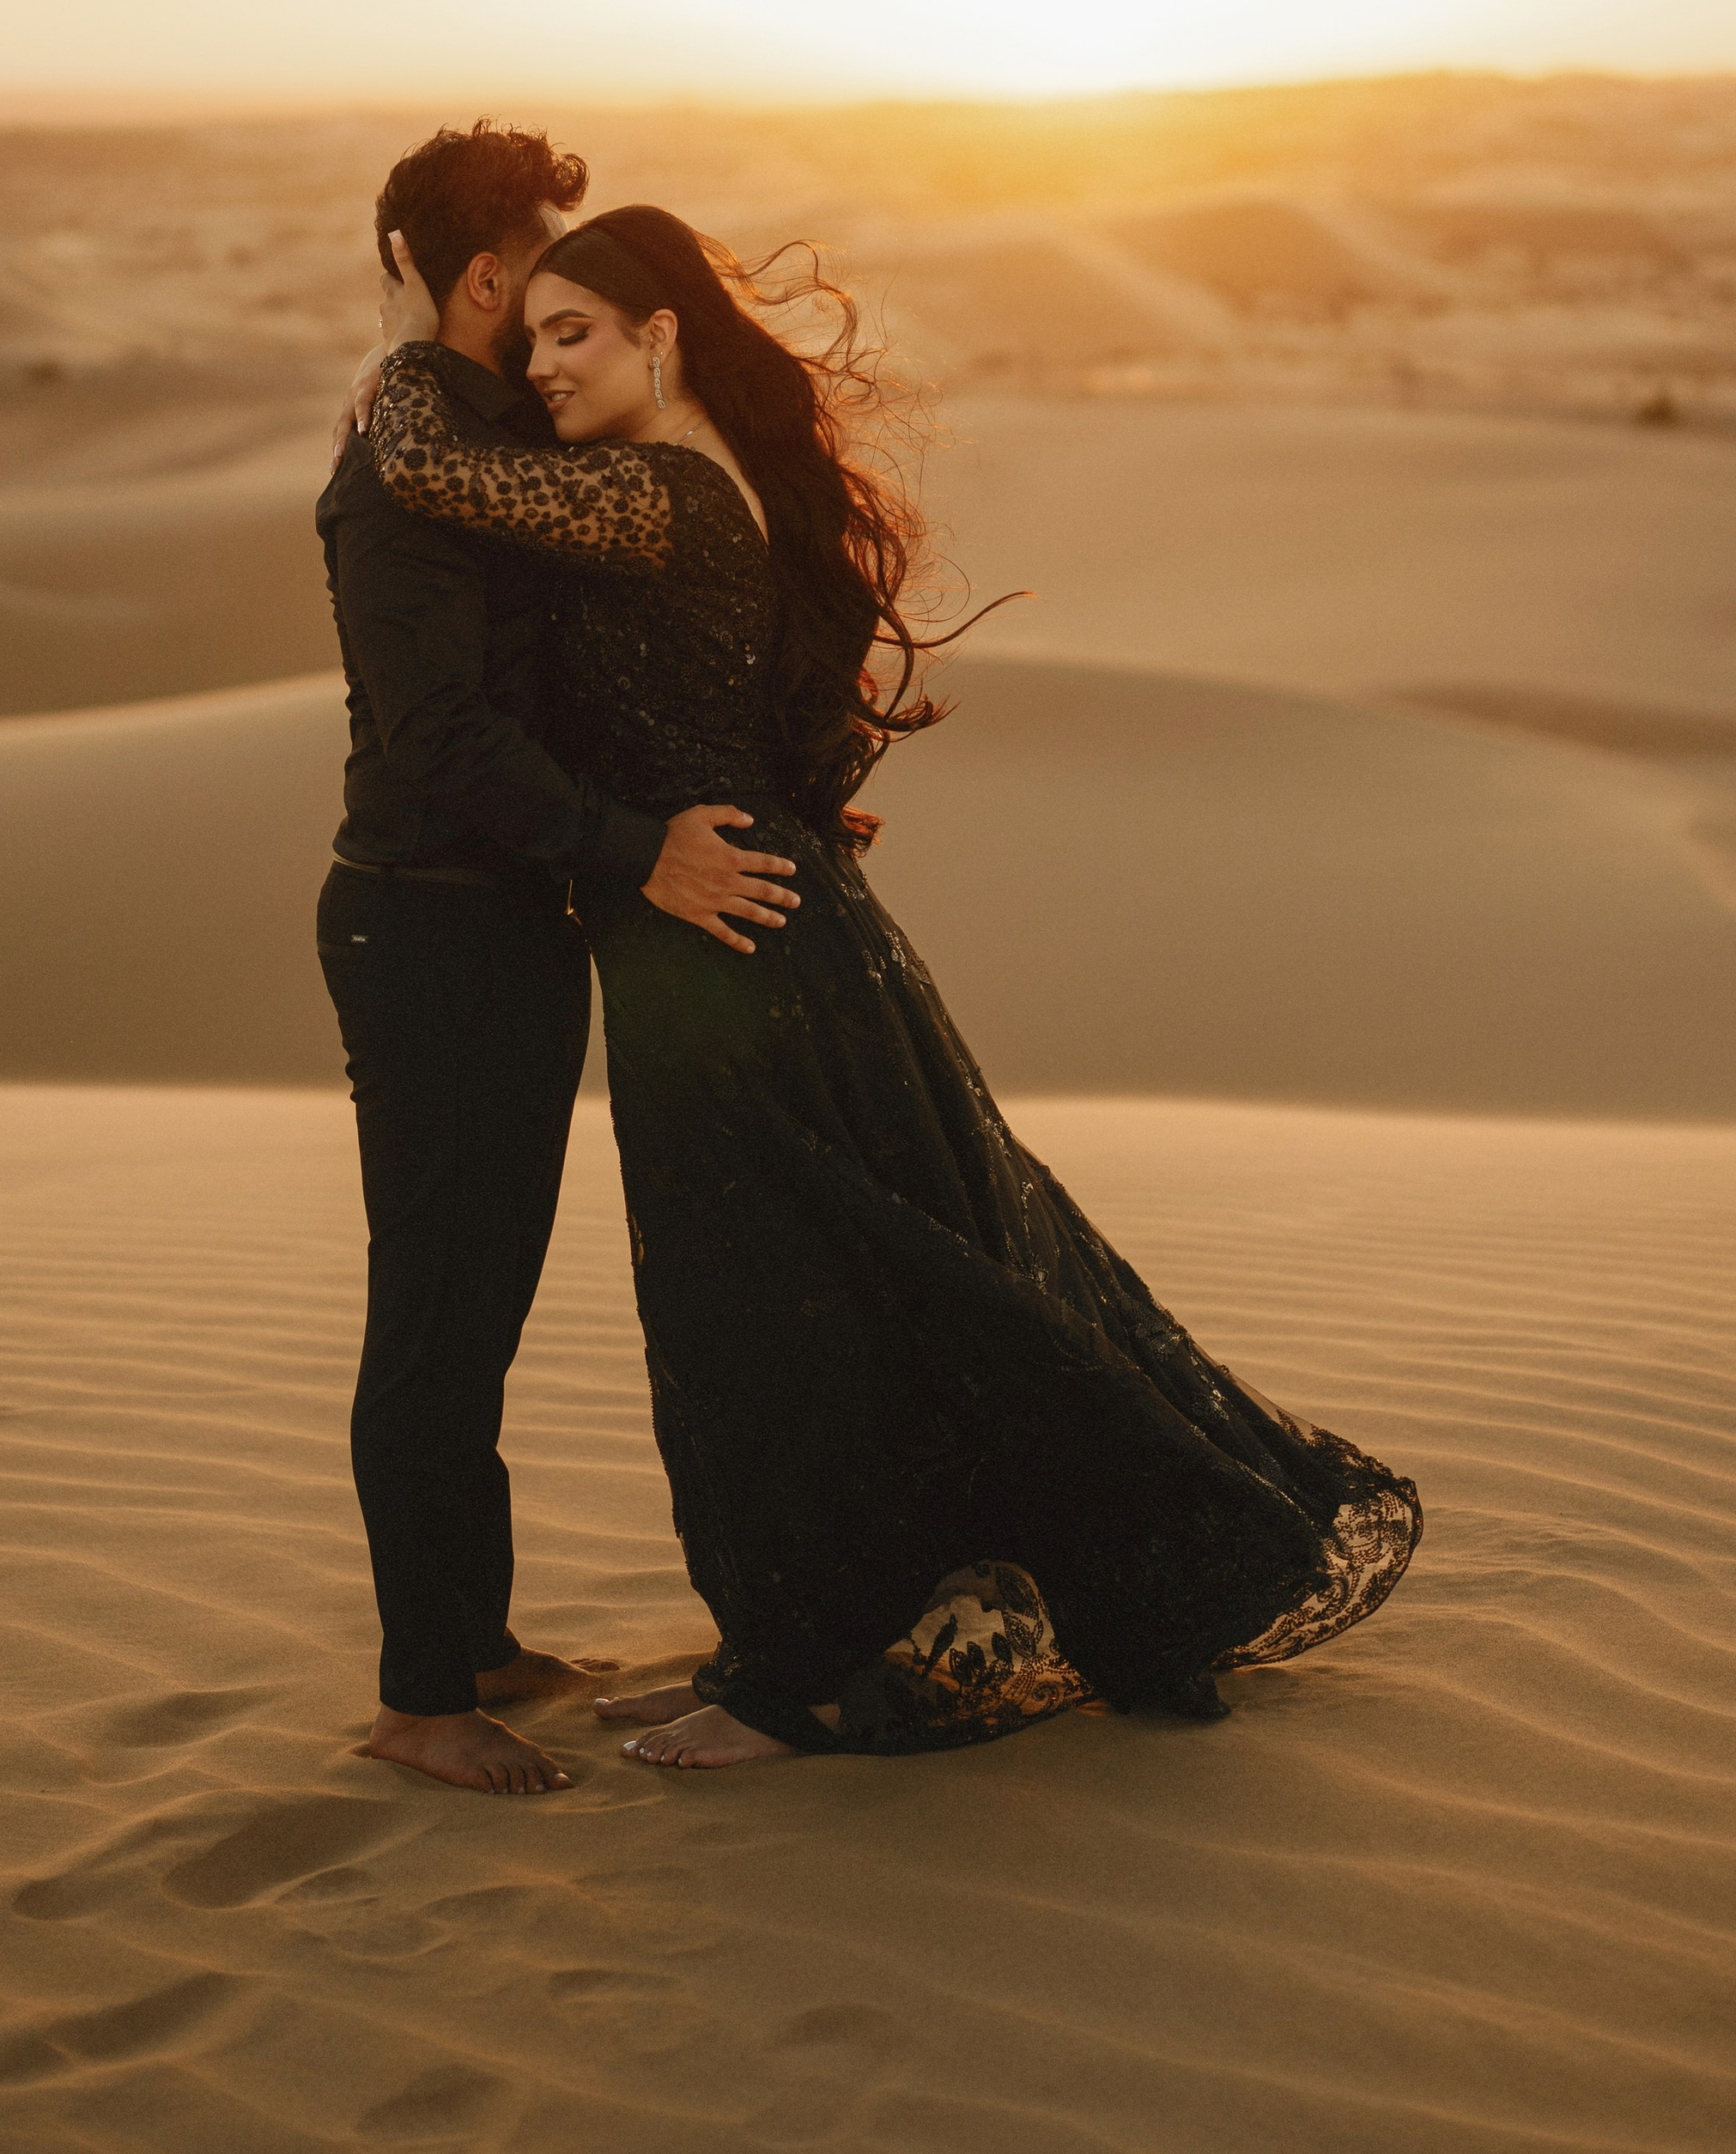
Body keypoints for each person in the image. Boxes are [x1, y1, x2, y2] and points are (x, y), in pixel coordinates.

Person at [349, 197, 1422, 1769]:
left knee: (773, 1319)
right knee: (765, 1303)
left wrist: (399, 345)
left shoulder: (660, 493)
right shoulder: (684, 481)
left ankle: (795, 1681)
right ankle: (770, 1648)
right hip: (727, 938)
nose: (546, 364)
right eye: (530, 338)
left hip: (742, 956)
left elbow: (426, 469)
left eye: (573, 333)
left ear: (663, 335)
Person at [316, 125, 802, 1795]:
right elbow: (443, 734)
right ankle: (417, 1697)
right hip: (430, 912)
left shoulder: (482, 432)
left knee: (487, 1296)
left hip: (512, 919)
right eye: (544, 273)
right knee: (435, 1305)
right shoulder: (402, 462)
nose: (563, 306)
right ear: (483, 276)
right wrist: (628, 843)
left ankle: (482, 1636)